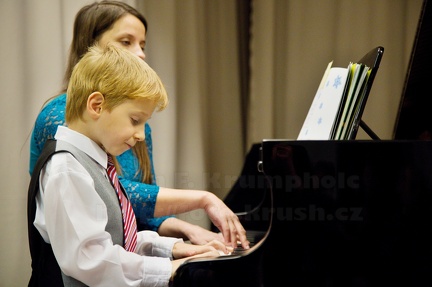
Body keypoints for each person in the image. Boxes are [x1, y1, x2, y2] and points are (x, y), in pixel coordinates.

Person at [29, 0, 249, 249]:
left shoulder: (136, 129)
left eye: (143, 45)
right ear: (92, 47)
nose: (141, 54)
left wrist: (185, 230)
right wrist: (203, 199)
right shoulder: (60, 114)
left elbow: (138, 213)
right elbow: (108, 192)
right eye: (126, 42)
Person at [28, 44, 230, 287]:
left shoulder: (94, 163)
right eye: (135, 120)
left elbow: (118, 239)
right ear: (96, 105)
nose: (141, 135)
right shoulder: (67, 168)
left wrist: (174, 248)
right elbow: (91, 260)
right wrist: (169, 268)